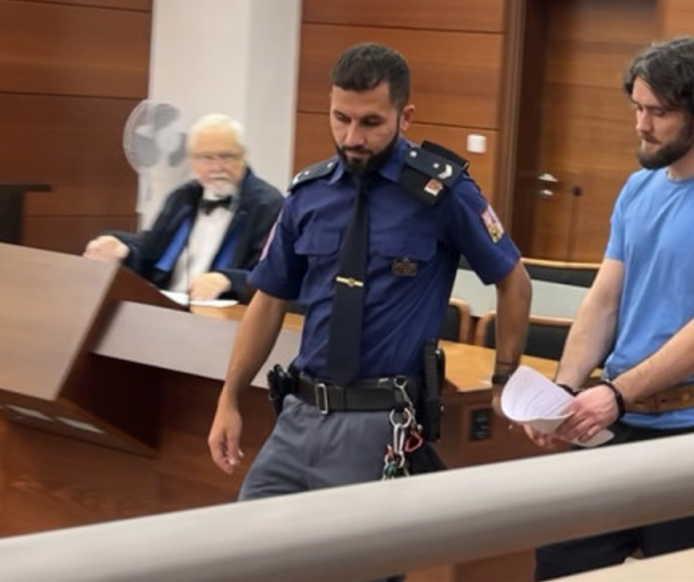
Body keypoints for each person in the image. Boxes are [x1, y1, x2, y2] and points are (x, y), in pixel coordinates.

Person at [206, 42, 531, 582]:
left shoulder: (442, 193)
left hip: (377, 423)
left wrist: (504, 379)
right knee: (243, 560)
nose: (352, 137)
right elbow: (268, 298)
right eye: (341, 118)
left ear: (405, 116)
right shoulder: (308, 194)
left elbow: (513, 280)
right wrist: (229, 397)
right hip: (298, 415)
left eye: (371, 122)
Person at [526, 36, 694, 580]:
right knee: (561, 565)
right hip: (617, 422)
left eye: (659, 112)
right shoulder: (638, 188)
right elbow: (604, 301)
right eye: (637, 108)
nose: (641, 125)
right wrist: (566, 390)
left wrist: (616, 394)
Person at [83, 113, 284, 302]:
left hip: (223, 314)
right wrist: (124, 250)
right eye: (206, 158)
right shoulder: (182, 197)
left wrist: (229, 280)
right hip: (166, 305)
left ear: (243, 156)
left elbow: (277, 275)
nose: (217, 167)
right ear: (192, 160)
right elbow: (151, 253)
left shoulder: (268, 205)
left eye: (226, 156)